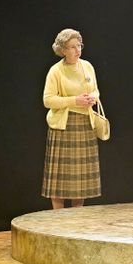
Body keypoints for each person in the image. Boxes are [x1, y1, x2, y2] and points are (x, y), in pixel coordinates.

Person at [42, 29, 101, 209]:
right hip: (63, 126)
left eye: (79, 45)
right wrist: (75, 100)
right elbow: (48, 100)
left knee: (80, 180)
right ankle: (58, 219)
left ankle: (77, 218)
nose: (78, 50)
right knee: (60, 179)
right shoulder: (56, 71)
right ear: (62, 50)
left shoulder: (87, 66)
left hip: (85, 124)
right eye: (72, 47)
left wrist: (92, 97)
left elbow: (96, 90)